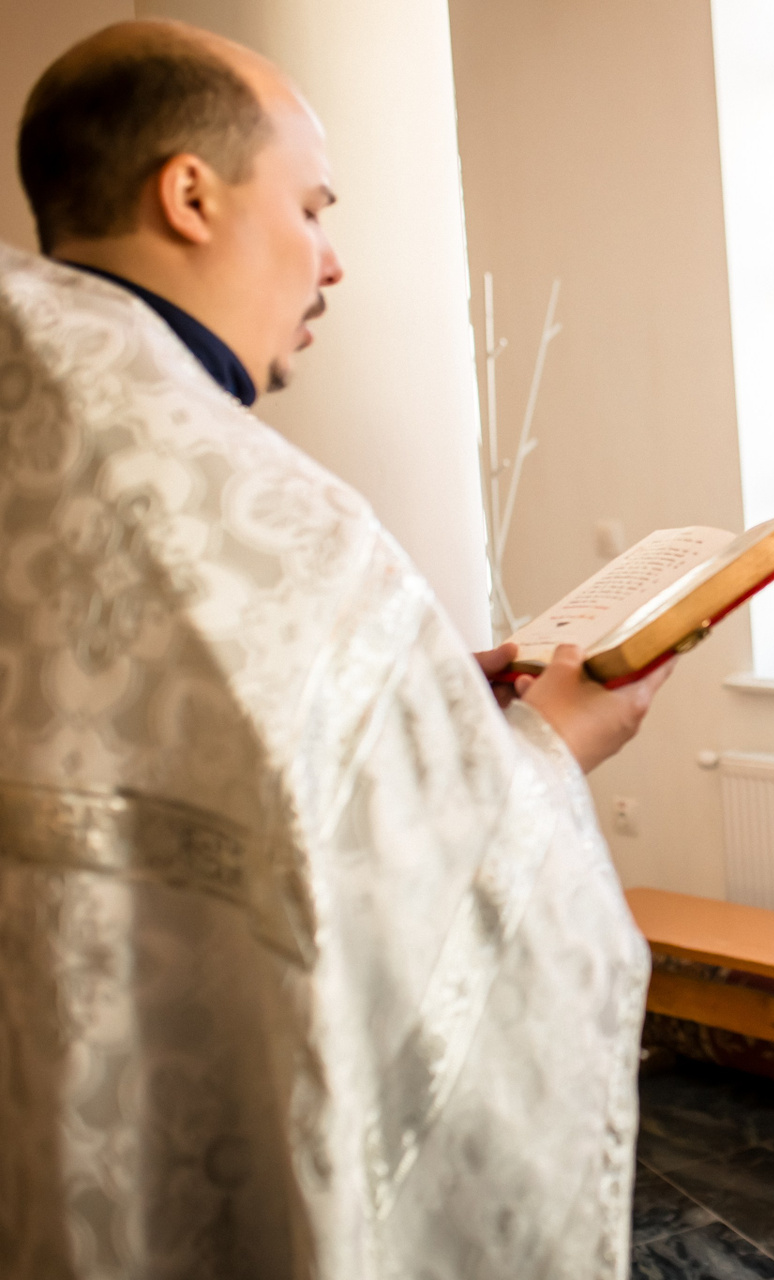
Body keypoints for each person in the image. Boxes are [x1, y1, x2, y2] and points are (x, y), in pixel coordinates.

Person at [1, 22, 671, 1278]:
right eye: (311, 206)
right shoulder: (249, 514)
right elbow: (428, 931)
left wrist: (416, 702)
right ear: (190, 195)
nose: (334, 259)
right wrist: (546, 746)